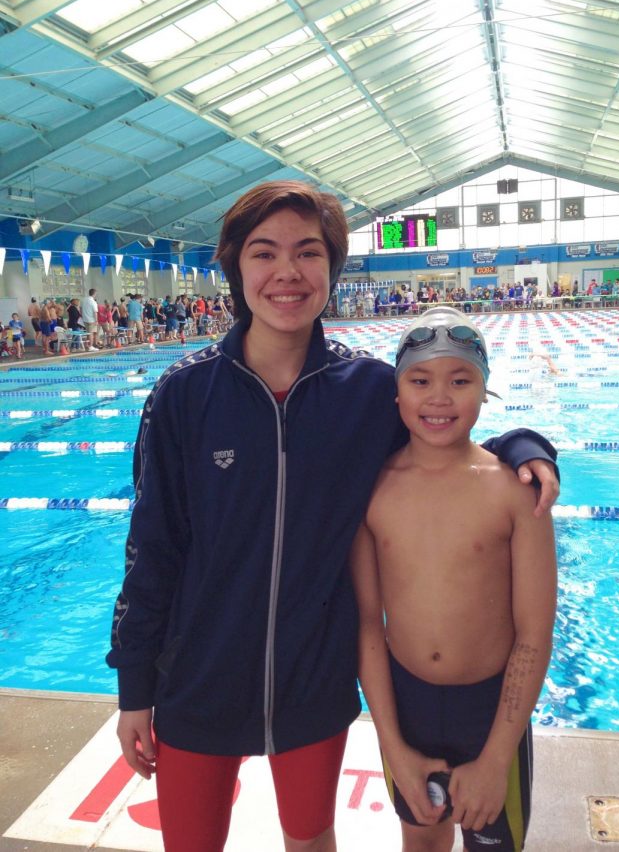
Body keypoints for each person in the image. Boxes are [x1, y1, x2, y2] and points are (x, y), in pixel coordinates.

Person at [106, 181, 559, 852]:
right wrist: (135, 687)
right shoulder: (184, 393)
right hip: (195, 678)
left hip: (311, 683)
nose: (286, 273)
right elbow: (152, 547)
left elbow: (442, 439)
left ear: (331, 268)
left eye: (307, 253)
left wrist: (524, 447)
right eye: (264, 253)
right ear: (234, 267)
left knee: (311, 837)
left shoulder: (367, 390)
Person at [351, 307, 557, 852]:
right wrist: (391, 744)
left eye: (460, 380)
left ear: (484, 391)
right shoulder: (372, 491)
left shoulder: (515, 492)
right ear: (398, 395)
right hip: (407, 705)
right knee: (419, 844)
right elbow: (369, 624)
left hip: (493, 716)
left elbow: (534, 634)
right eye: (420, 381)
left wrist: (495, 759)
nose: (439, 398)